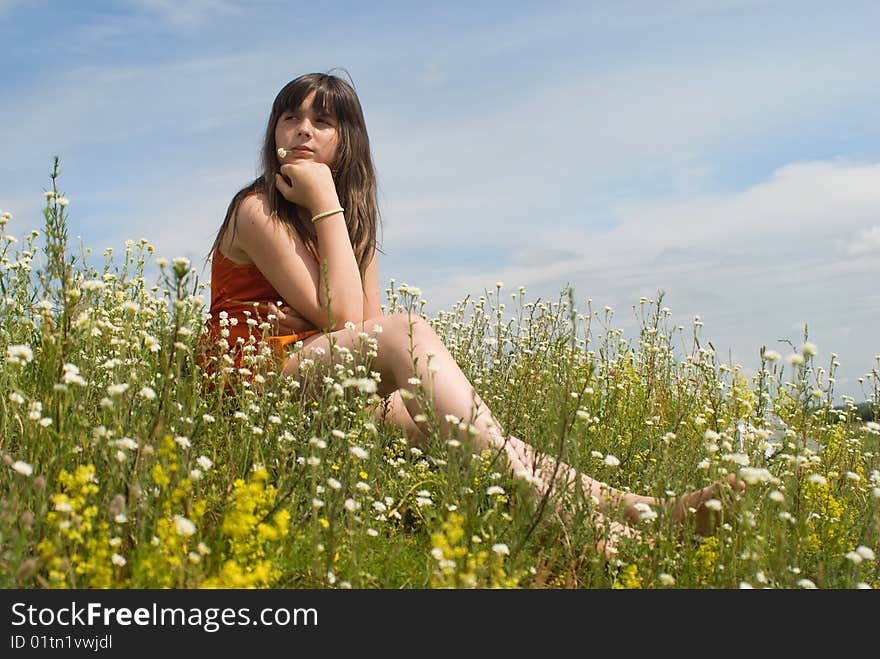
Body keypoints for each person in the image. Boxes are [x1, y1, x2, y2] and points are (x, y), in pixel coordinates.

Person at [201, 71, 742, 552]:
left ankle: (641, 510)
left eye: (322, 122)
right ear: (272, 133)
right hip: (251, 388)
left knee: (439, 423)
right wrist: (322, 201)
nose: (302, 131)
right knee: (405, 334)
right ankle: (556, 515)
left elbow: (355, 327)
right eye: (289, 118)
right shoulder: (257, 209)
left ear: (348, 142)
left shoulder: (348, 220)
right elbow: (353, 326)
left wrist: (331, 228)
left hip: (310, 376)